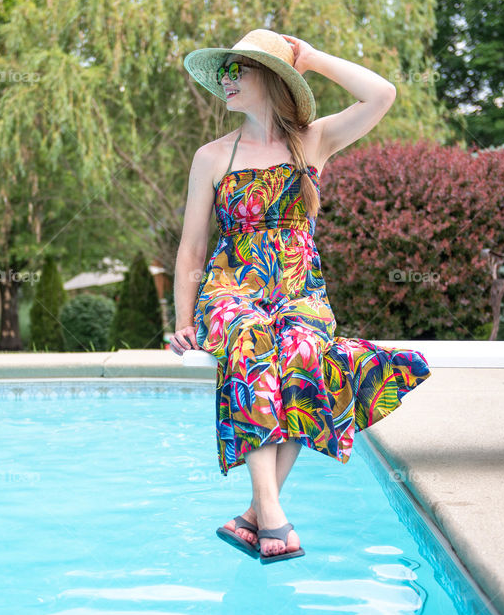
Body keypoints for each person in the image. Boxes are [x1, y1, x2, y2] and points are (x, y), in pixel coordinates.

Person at [171, 29, 432, 564]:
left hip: (299, 290)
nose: (227, 80)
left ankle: (252, 517)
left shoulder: (312, 139)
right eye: (224, 72)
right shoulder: (212, 155)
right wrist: (182, 317)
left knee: (305, 355)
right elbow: (193, 246)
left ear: (271, 76)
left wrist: (310, 58)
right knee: (249, 344)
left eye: (238, 70)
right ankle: (271, 516)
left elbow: (381, 94)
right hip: (231, 289)